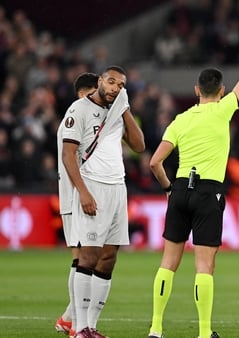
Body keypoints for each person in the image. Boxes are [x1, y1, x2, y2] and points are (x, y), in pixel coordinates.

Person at [147, 10, 239, 338]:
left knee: (168, 263)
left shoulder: (181, 119)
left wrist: (168, 189)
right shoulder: (224, 109)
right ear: (222, 89)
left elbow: (155, 162)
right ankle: (203, 333)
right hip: (208, 193)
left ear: (196, 89)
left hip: (181, 191)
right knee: (204, 267)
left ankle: (156, 330)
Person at [62, 65, 145, 338]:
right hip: (92, 185)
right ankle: (79, 327)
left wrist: (124, 109)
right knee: (88, 256)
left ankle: (92, 327)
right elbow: (68, 155)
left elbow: (139, 146)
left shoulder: (118, 112)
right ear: (100, 81)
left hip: (117, 187)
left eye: (120, 85)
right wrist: (83, 192)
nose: (114, 88)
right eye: (111, 82)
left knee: (109, 258)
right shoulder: (79, 110)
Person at [55, 72, 99, 338]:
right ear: (85, 93)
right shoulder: (74, 118)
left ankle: (69, 318)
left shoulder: (84, 119)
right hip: (75, 197)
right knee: (81, 258)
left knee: (86, 258)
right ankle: (72, 321)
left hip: (80, 196)